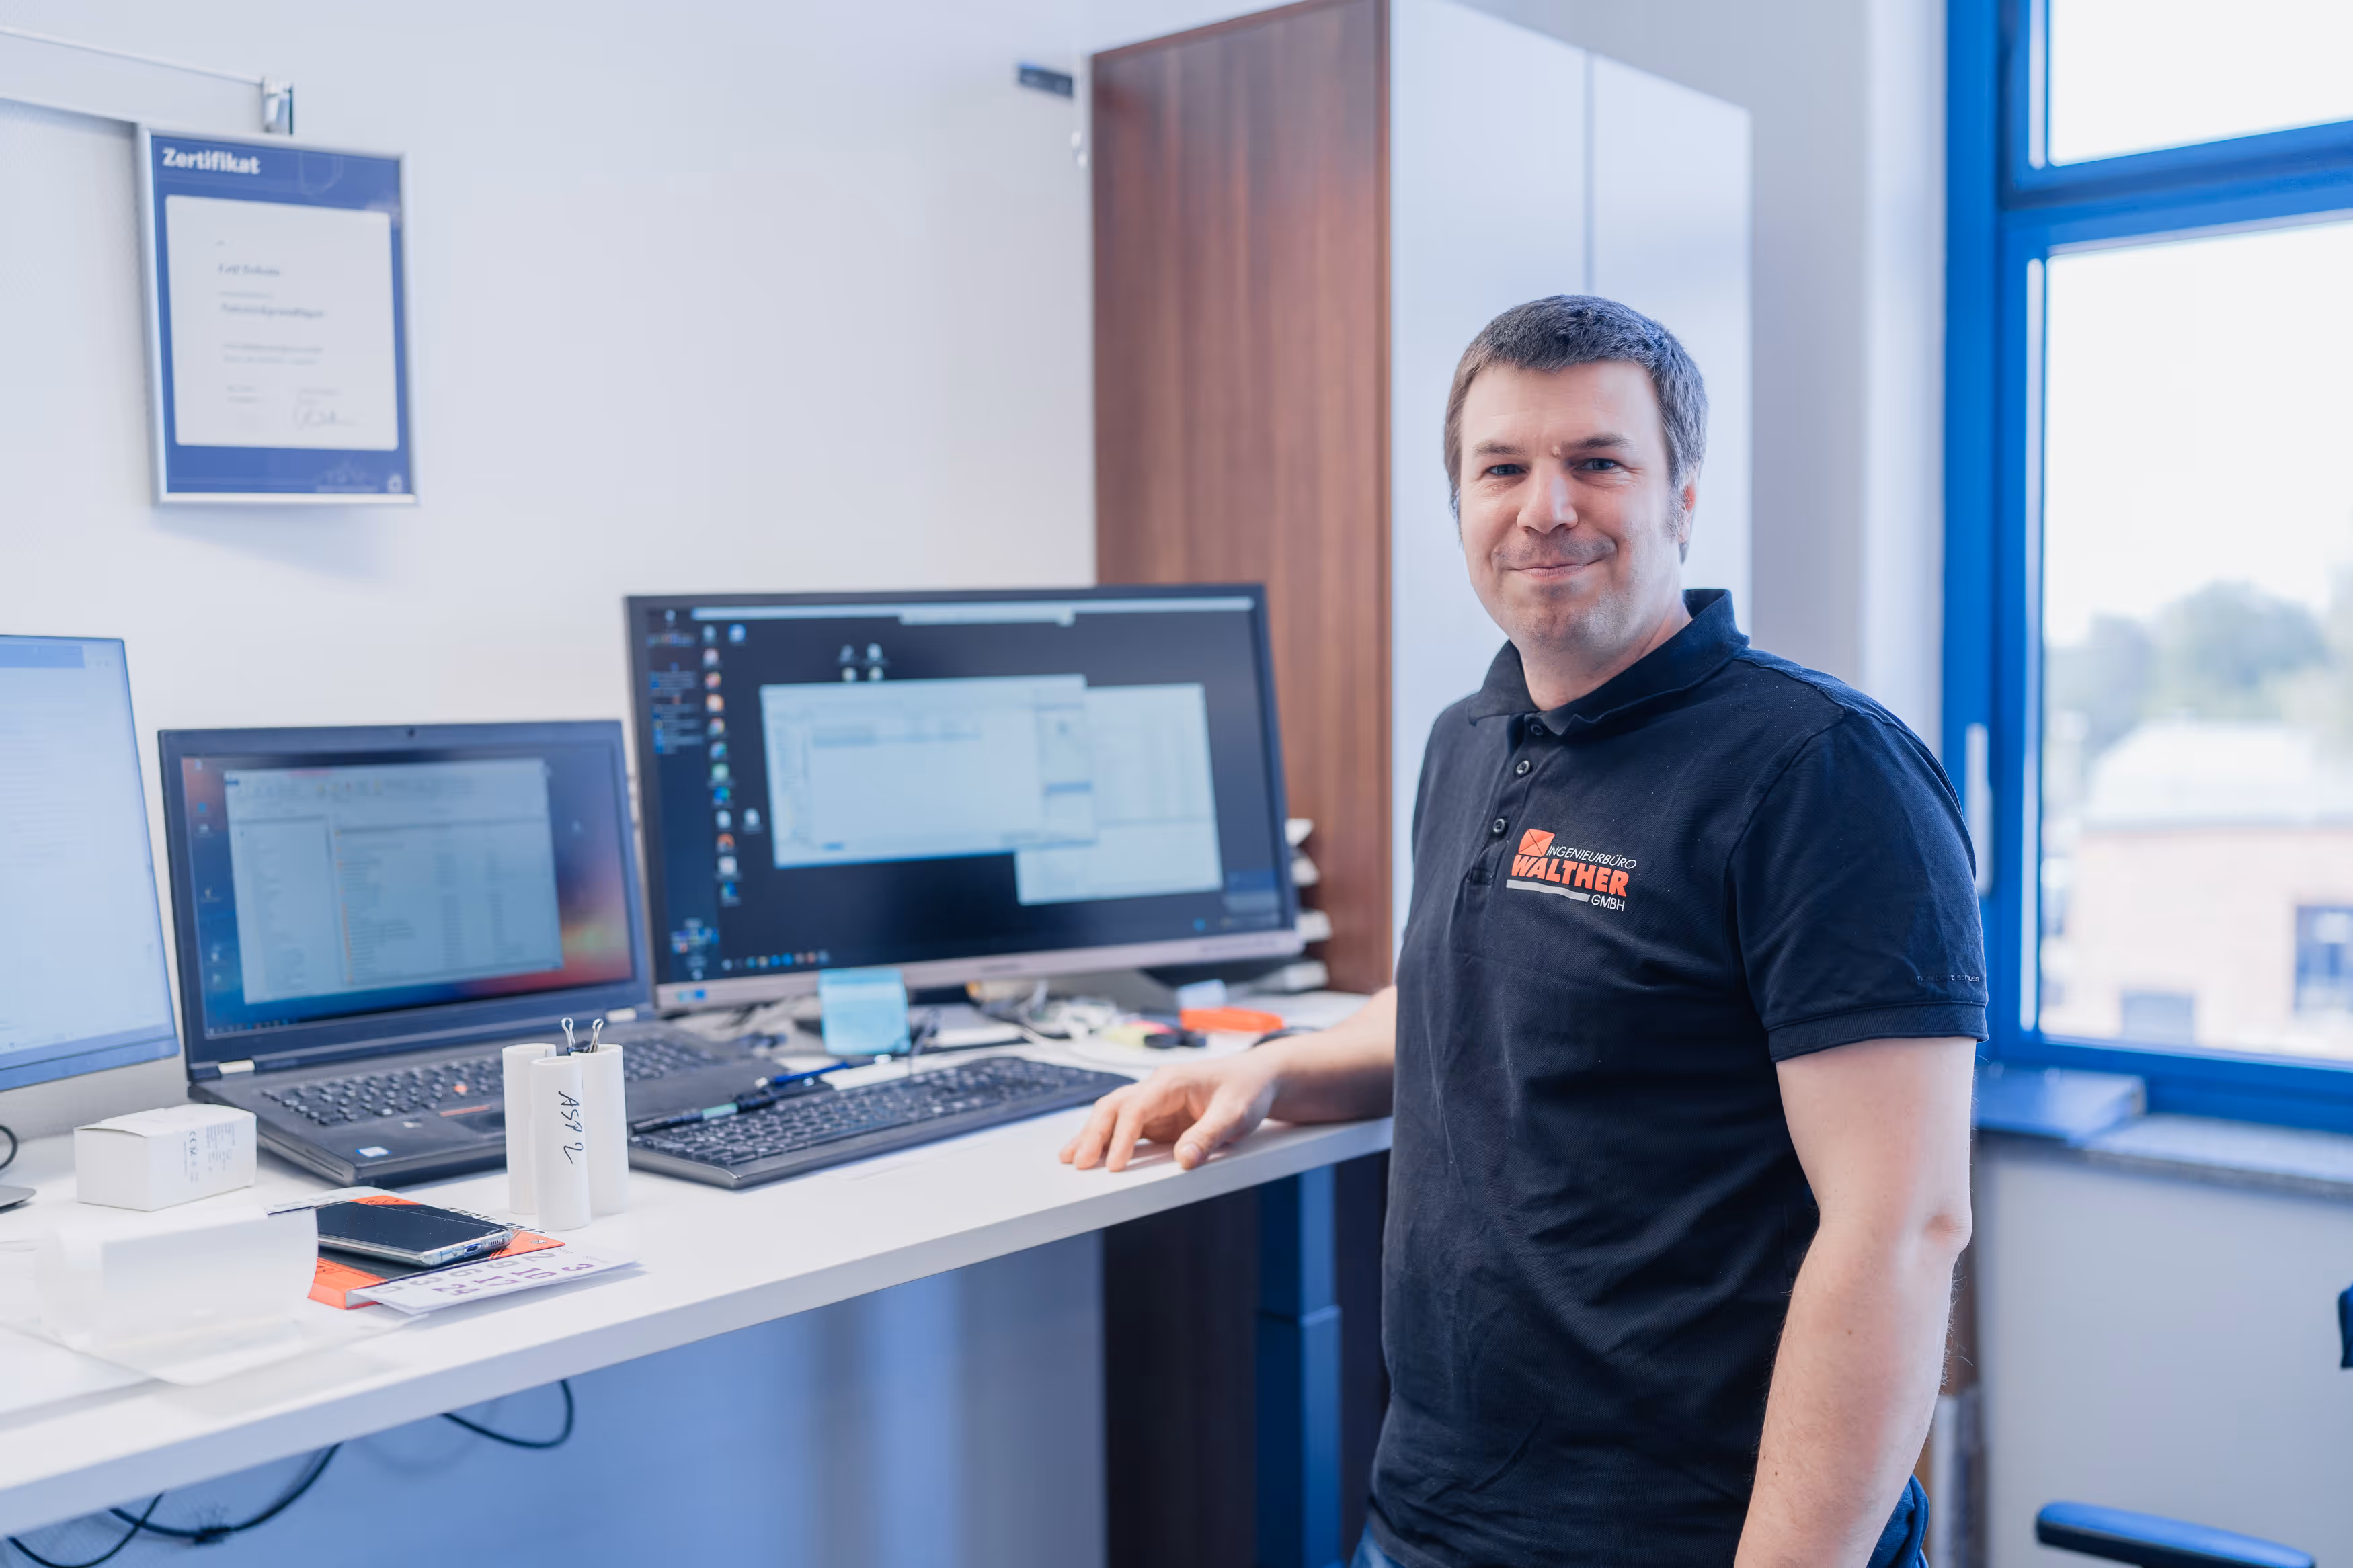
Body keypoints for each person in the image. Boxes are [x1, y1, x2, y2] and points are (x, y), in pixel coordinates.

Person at [1060, 296, 1983, 1568]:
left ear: (1683, 496)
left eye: (1598, 462)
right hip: (1430, 1521)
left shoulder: (1820, 774)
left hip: (1692, 1539)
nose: (1545, 507)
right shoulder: (1473, 736)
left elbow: (1902, 1225)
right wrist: (1269, 1066)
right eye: (1503, 467)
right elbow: (1465, 999)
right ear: (1460, 503)